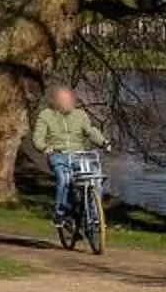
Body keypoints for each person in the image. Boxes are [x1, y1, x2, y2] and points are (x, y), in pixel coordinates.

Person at [29, 83, 109, 226]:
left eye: (70, 100)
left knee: (95, 180)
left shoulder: (80, 115)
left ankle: (94, 216)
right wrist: (44, 147)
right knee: (64, 178)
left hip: (79, 155)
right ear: (56, 101)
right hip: (58, 155)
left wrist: (104, 143)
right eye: (64, 100)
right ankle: (60, 214)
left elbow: (90, 131)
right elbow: (38, 137)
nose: (68, 103)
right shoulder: (46, 115)